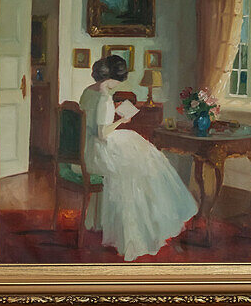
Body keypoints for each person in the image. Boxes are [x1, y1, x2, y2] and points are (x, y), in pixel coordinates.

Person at [79, 55, 197, 261]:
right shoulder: (104, 97)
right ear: (113, 78)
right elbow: (102, 133)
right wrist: (122, 120)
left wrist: (111, 116)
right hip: (99, 150)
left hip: (85, 148)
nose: (118, 85)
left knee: (140, 149)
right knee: (142, 162)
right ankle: (140, 230)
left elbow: (90, 125)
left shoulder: (88, 92)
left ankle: (121, 221)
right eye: (119, 81)